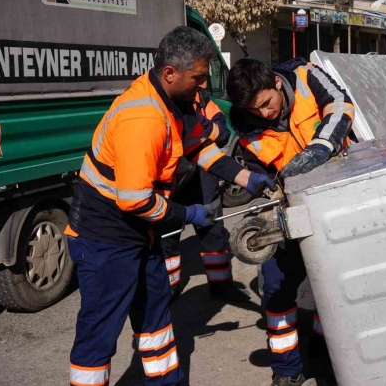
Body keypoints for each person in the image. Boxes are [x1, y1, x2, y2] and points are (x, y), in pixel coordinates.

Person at [65, 27, 274, 386]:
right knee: (100, 332)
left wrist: (246, 179)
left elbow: (198, 149)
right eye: (197, 79)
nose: (203, 88)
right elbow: (134, 200)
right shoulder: (143, 116)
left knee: (156, 316)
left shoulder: (175, 102)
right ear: (170, 73)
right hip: (105, 237)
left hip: (138, 233)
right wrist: (189, 214)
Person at [226, 58, 354, 386]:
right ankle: (286, 371)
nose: (265, 114)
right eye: (256, 111)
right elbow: (257, 176)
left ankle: (329, 356)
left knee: (338, 286)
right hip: (291, 210)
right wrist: (264, 199)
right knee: (277, 285)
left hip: (339, 199)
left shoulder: (305, 76)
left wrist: (319, 148)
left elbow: (341, 105)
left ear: (277, 85)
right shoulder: (245, 127)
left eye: (267, 104)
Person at [161, 85, 250, 302]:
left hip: (203, 179)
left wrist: (202, 127)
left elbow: (223, 133)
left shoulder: (203, 101)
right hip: (173, 182)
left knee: (213, 235)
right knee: (167, 241)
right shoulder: (163, 101)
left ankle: (221, 287)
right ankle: (169, 288)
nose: (201, 84)